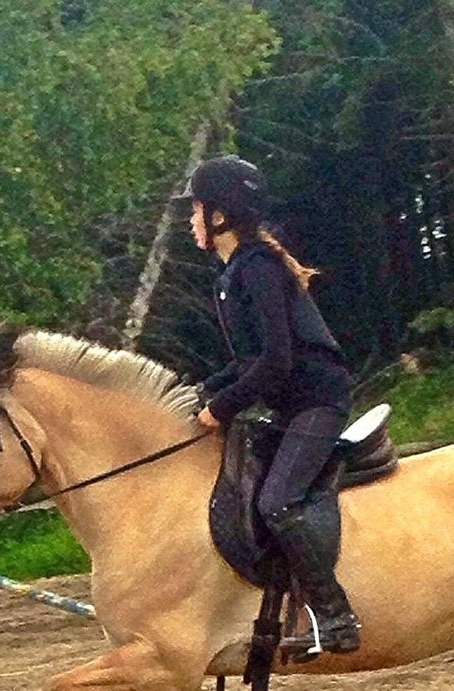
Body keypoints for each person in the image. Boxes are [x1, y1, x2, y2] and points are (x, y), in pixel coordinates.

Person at [176, 154, 361, 656]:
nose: (191, 220)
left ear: (218, 216)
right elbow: (248, 361)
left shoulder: (257, 268)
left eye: (195, 210)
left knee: (277, 501)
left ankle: (335, 616)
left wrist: (221, 409)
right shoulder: (234, 272)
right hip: (290, 405)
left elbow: (277, 360)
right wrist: (201, 393)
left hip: (317, 400)